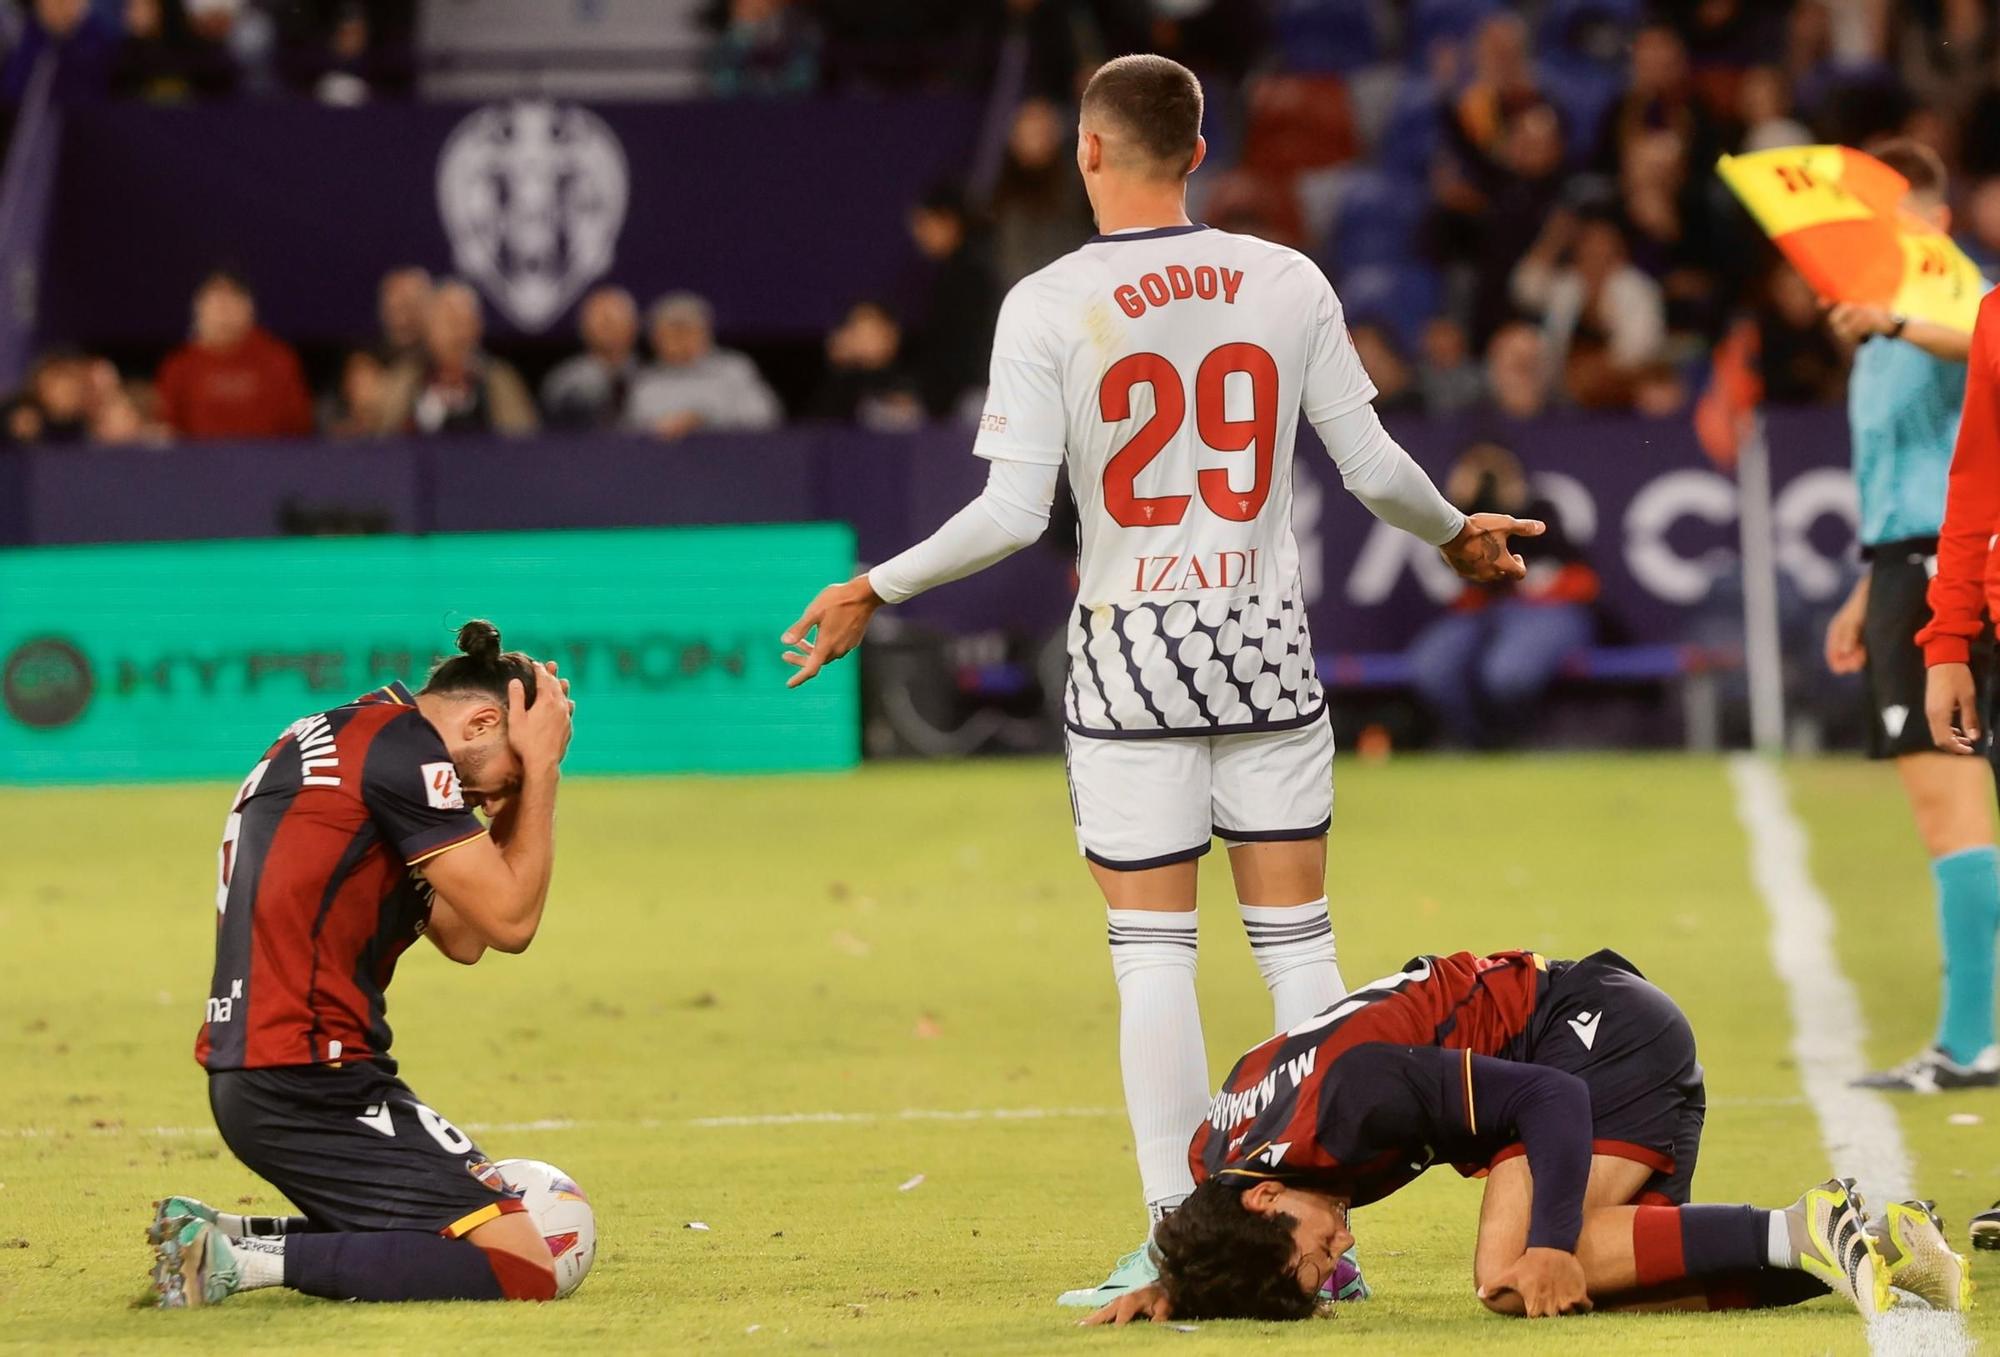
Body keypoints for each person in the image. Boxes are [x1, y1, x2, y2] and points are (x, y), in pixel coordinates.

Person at [777, 53, 1542, 1309]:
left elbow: (1012, 514)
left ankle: (1174, 1233)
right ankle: (1320, 1236)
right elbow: (1370, 463)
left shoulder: (1043, 303)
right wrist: (1454, 527)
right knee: (1300, 947)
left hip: (1131, 655)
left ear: (1087, 151)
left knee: (1151, 955)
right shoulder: (1282, 278)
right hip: (1260, 646)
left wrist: (878, 583)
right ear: (1199, 152)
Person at [1083, 948, 1971, 1325]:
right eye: (1329, 1260)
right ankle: (1863, 1245)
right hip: (1587, 1045)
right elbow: (1217, 1230)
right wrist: (1183, 1285)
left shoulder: (1349, 1101)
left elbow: (1548, 1098)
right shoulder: (1218, 1161)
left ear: (1268, 1195)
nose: (1344, 1241)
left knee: (1522, 1265)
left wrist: (1547, 1241)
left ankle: (1804, 1220)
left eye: (1319, 1247)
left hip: (1592, 1033)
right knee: (1591, 1288)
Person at [148, 622, 575, 1308]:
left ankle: (227, 1233)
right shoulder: (406, 753)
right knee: (521, 1267)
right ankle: (236, 1261)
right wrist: (546, 769)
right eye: (509, 775)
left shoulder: (355, 732)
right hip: (311, 1076)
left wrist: (519, 781)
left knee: (446, 1234)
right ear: (483, 720)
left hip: (267, 1067)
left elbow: (464, 936)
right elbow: (510, 922)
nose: (498, 801)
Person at [1820, 140, 1997, 1094]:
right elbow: (1901, 475)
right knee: (1954, 805)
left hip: (1950, 568)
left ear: (1931, 215)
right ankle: (1972, 1035)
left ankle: (1972, 1042)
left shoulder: (1952, 295)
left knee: (1951, 803)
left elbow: (1983, 332)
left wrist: (1896, 314)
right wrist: (1865, 587)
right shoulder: (1879, 334)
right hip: (1908, 563)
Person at [1408, 443, 1597, 748]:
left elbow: (1582, 580)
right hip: (1485, 615)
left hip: (1545, 611)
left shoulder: (1540, 510)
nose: (1488, 479)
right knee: (1433, 666)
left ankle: (1522, 743)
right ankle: (1476, 745)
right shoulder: (1459, 518)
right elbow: (1451, 586)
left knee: (1508, 673)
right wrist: (1456, 509)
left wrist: (1515, 504)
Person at [154, 271, 314, 441]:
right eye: (215, 301)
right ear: (198, 309)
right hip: (200, 465)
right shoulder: (179, 365)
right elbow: (169, 431)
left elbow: (300, 428)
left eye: (232, 300)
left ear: (249, 307)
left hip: (267, 462)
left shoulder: (279, 359)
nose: (223, 310)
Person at [375, 281, 539, 436]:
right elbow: (383, 444)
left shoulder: (498, 380)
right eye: (450, 322)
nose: (458, 333)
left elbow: (523, 447)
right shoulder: (406, 379)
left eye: (465, 322)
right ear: (428, 328)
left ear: (478, 329)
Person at [623, 291, 782, 439]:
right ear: (656, 339)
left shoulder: (734, 370)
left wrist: (703, 419)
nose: (680, 341)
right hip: (658, 465)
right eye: (672, 333)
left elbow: (764, 417)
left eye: (688, 331)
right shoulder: (645, 380)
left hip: (728, 461)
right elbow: (627, 434)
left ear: (706, 333)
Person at [806, 300, 925, 431]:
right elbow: (817, 430)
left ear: (892, 333)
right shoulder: (839, 385)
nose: (861, 335)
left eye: (870, 327)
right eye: (853, 326)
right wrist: (838, 368)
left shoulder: (912, 381)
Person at [540, 286, 641, 430]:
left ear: (634, 326)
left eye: (613, 319)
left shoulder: (652, 377)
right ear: (583, 330)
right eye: (600, 321)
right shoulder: (564, 383)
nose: (607, 327)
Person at [375, 267, 434, 368]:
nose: (401, 320)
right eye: (393, 310)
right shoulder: (373, 363)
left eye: (408, 307)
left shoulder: (442, 364)